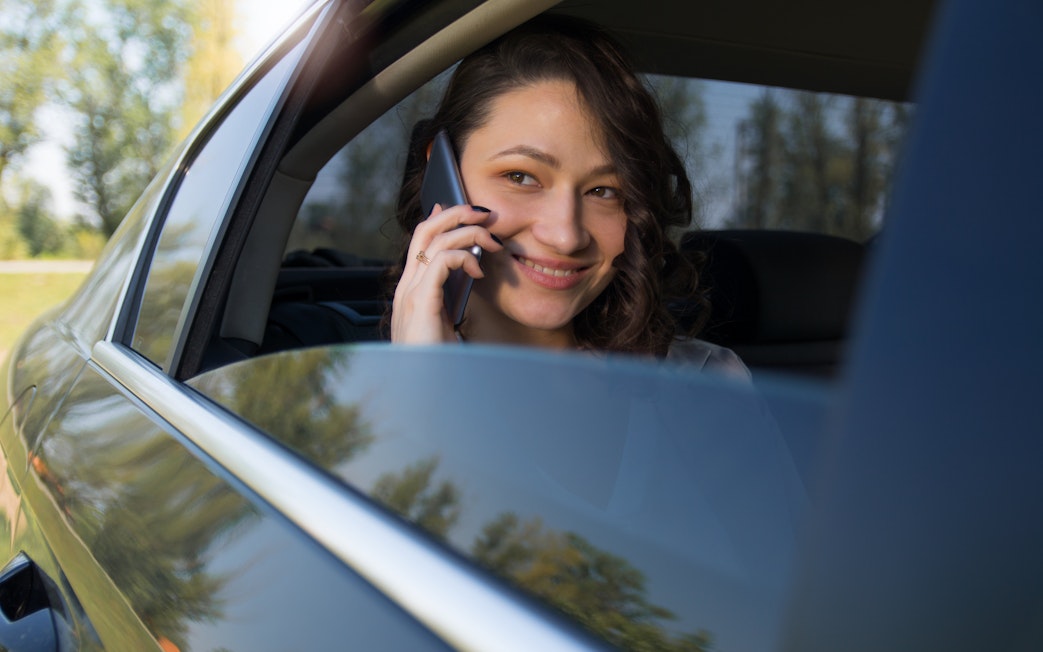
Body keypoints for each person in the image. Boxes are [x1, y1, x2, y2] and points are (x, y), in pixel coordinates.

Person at [388, 15, 747, 378]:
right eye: (520, 176)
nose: (566, 236)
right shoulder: (350, 392)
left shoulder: (708, 383)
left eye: (603, 191)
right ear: (442, 172)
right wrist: (418, 385)